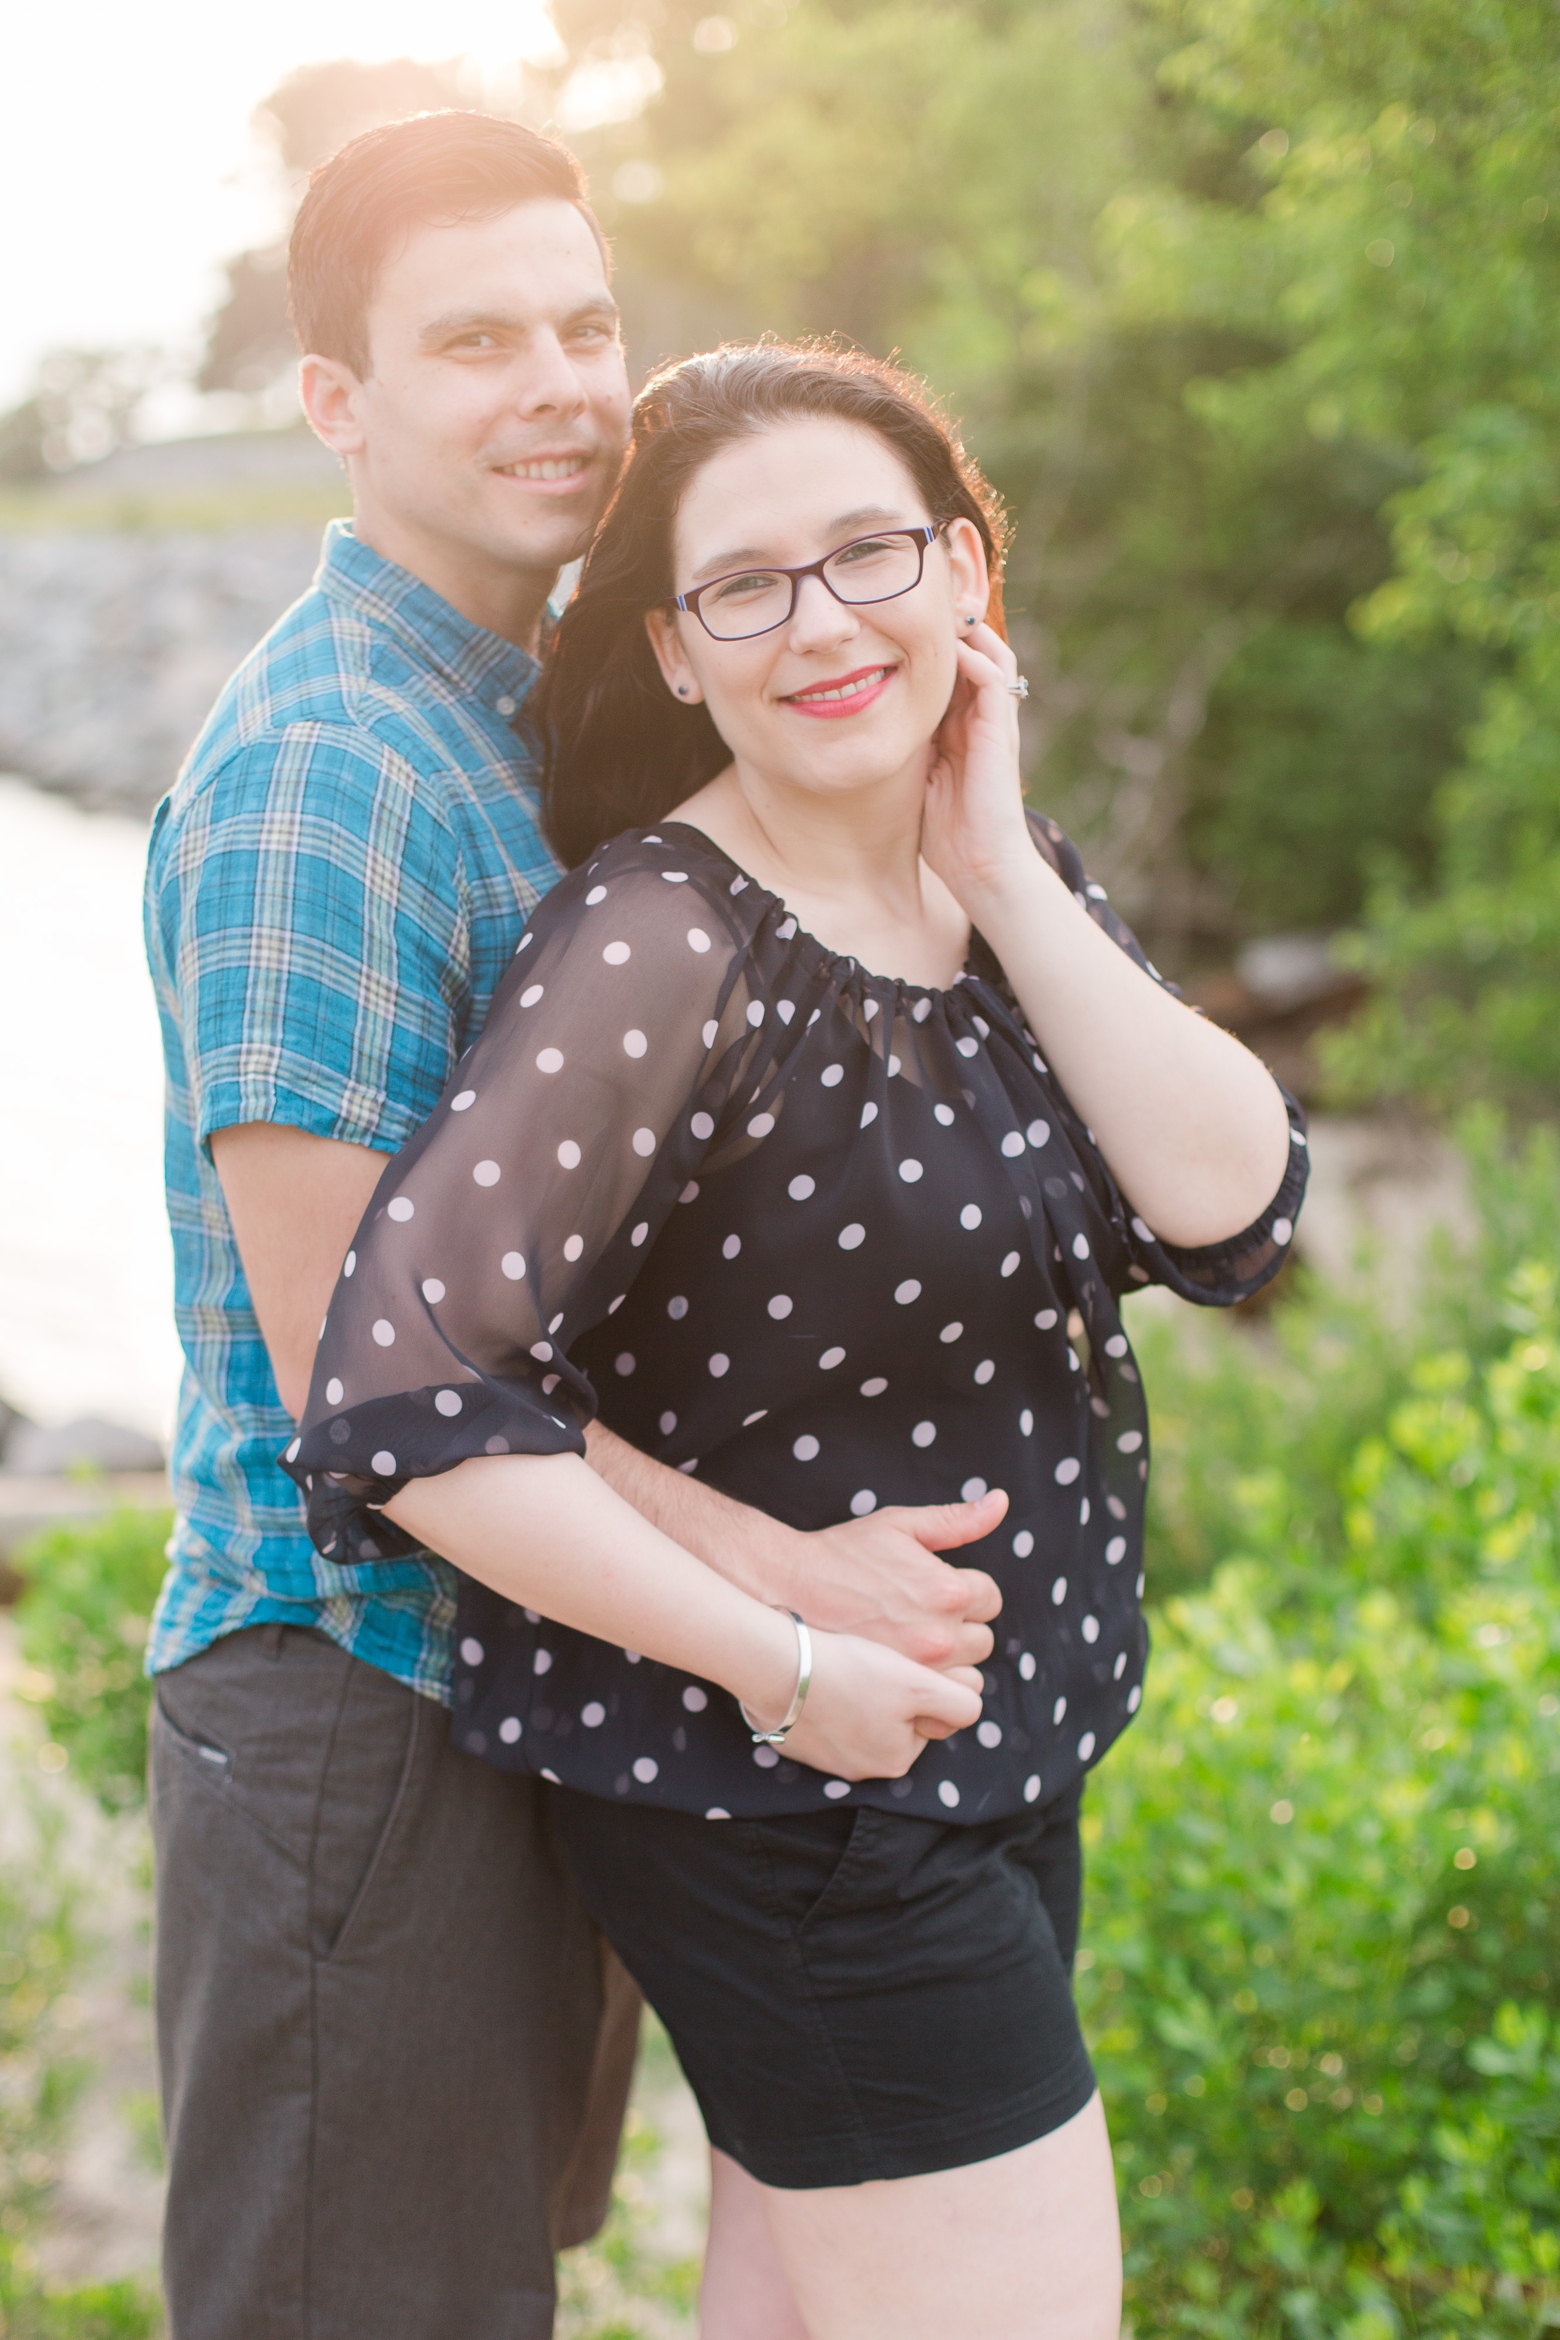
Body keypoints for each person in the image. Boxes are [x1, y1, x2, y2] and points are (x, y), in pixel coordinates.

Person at [287, 340, 1310, 2340]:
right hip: (799, 1808)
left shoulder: (989, 888)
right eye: (746, 584)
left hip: (988, 1761)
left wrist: (1002, 862)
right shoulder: (658, 939)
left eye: (872, 553)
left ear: (966, 577)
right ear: (672, 650)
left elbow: (1235, 1211)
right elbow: (404, 1401)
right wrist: (792, 1670)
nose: (823, 621)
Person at [143, 121, 1000, 2340]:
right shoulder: (327, 776)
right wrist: (775, 1588)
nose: (558, 384)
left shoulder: (533, 725)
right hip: (354, 1696)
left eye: (585, 322)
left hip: (546, 1659)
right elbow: (368, 1372)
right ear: (335, 402)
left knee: (477, 2285)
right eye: (473, 340)